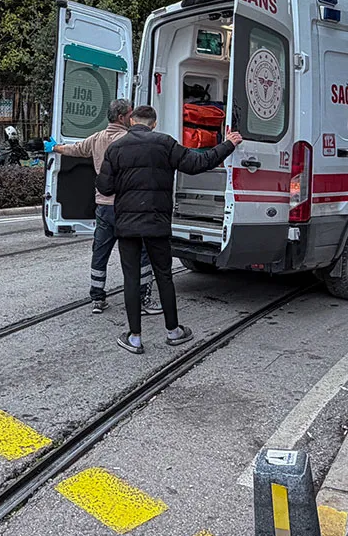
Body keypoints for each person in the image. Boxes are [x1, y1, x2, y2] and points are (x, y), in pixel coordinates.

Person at [96, 105, 241, 354]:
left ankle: (135, 338)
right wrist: (228, 144)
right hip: (157, 223)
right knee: (164, 275)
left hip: (127, 225)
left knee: (131, 279)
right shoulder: (165, 143)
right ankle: (173, 332)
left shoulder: (115, 148)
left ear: (131, 122)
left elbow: (105, 188)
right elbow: (198, 163)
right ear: (154, 123)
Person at [49, 99, 161, 315]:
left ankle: (97, 298)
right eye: (131, 114)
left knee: (100, 251)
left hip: (103, 206)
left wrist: (54, 147)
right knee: (142, 251)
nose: (134, 118)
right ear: (122, 118)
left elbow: (75, 149)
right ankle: (144, 299)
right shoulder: (130, 139)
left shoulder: (97, 138)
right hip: (127, 207)